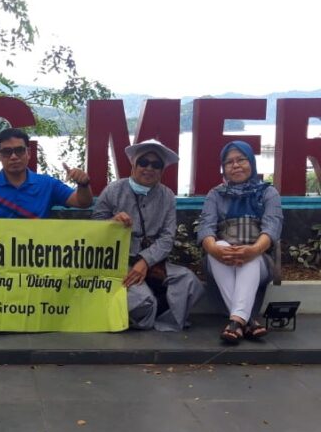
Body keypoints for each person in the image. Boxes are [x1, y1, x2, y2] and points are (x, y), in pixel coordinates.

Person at [92, 139, 203, 331]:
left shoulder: (167, 196)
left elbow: (167, 237)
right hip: (121, 262)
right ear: (134, 165)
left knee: (190, 282)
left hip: (153, 262)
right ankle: (146, 309)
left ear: (161, 170)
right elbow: (94, 228)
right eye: (143, 162)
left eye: (156, 164)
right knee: (142, 302)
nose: (149, 168)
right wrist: (112, 223)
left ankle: (158, 316)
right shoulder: (113, 190)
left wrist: (145, 261)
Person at [198, 140, 283, 344]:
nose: (235, 165)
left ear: (251, 162)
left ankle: (236, 322)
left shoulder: (268, 192)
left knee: (250, 258)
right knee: (220, 245)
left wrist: (253, 250)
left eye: (241, 160)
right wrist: (213, 249)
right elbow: (206, 227)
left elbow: (272, 227)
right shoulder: (215, 194)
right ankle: (246, 321)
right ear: (223, 168)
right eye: (229, 162)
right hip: (222, 259)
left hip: (259, 259)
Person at [0, 127, 92, 218]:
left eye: (19, 150)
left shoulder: (47, 185)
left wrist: (83, 184)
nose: (13, 157)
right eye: (7, 152)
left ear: (28, 153)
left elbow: (83, 202)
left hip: (36, 245)